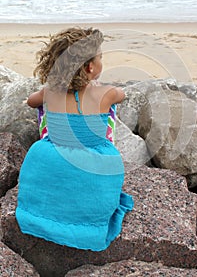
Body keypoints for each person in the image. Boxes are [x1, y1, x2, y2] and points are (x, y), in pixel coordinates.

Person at [16, 27, 134, 251]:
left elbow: (32, 101)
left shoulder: (50, 91)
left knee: (46, 116)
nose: (101, 61)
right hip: (94, 164)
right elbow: (122, 94)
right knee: (109, 113)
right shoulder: (105, 93)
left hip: (51, 157)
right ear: (90, 67)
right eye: (100, 57)